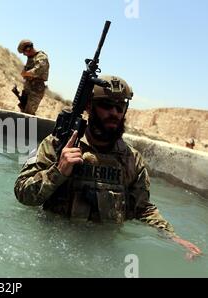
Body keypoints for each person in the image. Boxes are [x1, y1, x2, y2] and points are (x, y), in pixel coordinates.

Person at [14, 75, 202, 259]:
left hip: (104, 255)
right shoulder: (57, 145)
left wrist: (172, 237)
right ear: (89, 106)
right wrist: (58, 171)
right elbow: (23, 194)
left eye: (120, 107)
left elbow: (142, 209)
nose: (114, 113)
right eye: (106, 105)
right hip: (52, 251)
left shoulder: (131, 159)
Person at [16, 39, 50, 115]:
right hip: (28, 88)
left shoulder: (41, 57)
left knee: (28, 114)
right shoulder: (31, 58)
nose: (24, 55)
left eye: (24, 52)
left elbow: (38, 70)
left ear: (28, 48)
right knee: (23, 112)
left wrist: (25, 73)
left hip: (36, 90)